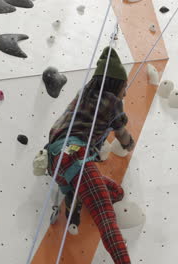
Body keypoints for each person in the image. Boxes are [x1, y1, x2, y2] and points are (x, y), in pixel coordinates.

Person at [46, 47, 135, 264]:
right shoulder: (113, 102)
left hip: (56, 162)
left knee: (117, 192)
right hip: (74, 155)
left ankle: (75, 195)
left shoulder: (83, 93)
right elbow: (122, 135)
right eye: (125, 87)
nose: (125, 92)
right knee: (106, 217)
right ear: (116, 85)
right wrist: (130, 144)